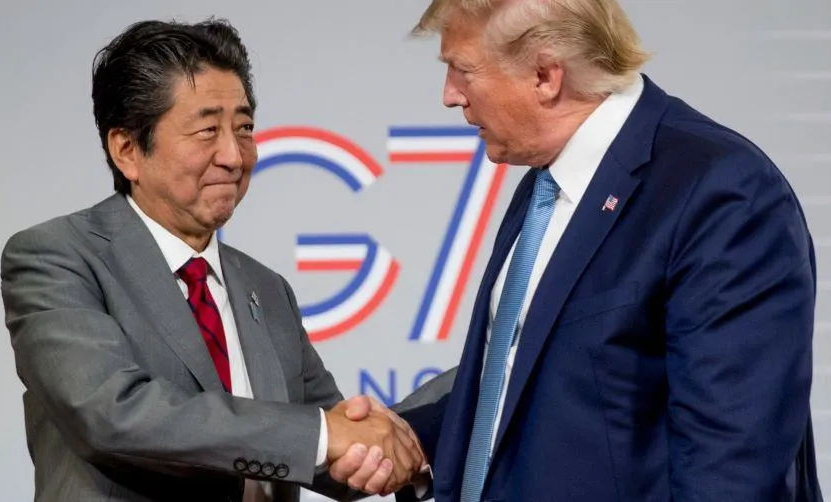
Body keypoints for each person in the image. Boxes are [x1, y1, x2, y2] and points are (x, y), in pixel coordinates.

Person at [338, 0, 825, 500]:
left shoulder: (721, 192)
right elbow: (553, 384)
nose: (449, 95)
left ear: (546, 76)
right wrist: (411, 438)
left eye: (462, 70)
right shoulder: (549, 179)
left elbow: (733, 467)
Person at [0, 18, 424, 502]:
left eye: (244, 128)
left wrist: (397, 443)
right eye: (206, 130)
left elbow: (331, 446)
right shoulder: (57, 257)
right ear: (127, 150)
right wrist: (324, 436)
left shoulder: (265, 287)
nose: (233, 155)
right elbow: (114, 414)